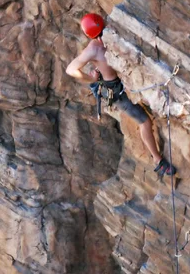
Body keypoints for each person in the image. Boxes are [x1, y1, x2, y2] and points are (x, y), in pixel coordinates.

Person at [66, 13, 176, 177]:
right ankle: (158, 160)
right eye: (100, 33)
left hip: (126, 80)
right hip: (116, 92)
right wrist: (91, 79)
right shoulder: (93, 49)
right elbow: (70, 70)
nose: (104, 36)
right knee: (145, 122)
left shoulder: (109, 32)